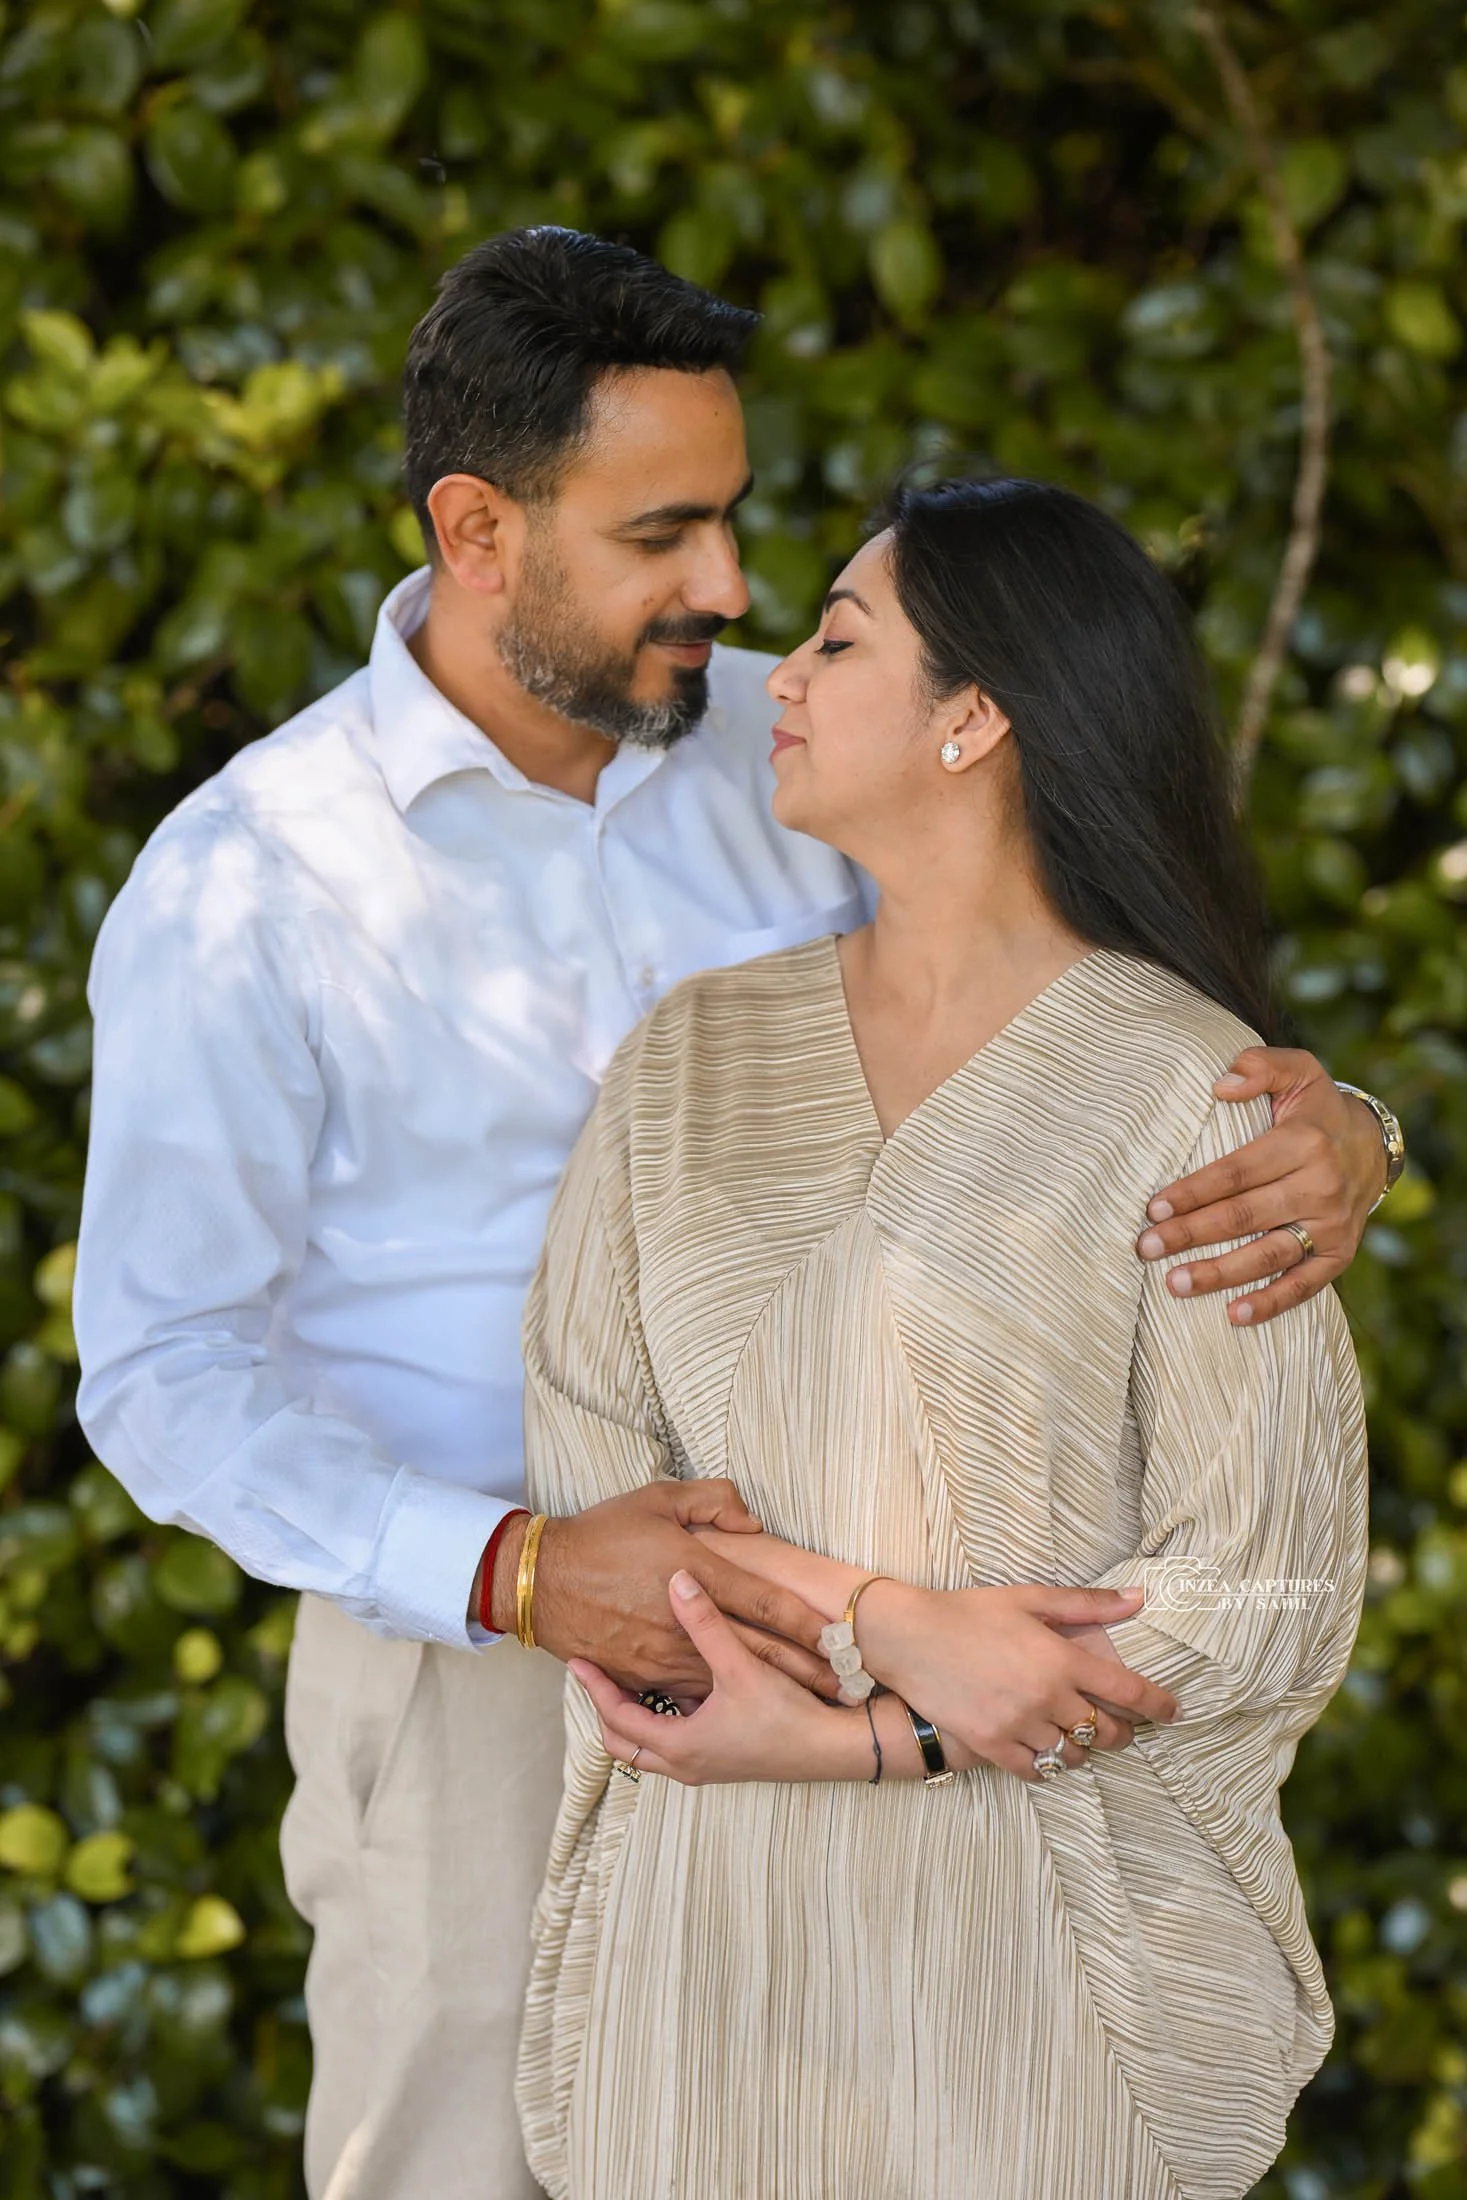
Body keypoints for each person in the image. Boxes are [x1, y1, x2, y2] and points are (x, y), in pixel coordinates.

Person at [72, 232, 1393, 2200]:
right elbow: (159, 1367)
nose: (732, 587)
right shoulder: (249, 885)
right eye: (665, 531)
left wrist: (1336, 1123)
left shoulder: (813, 727)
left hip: (924, 1647)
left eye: (740, 521)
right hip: (481, 1674)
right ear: (478, 529)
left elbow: (1082, 996)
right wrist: (515, 1564)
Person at [515, 479, 1370, 2200]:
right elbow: (606, 1505)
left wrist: (857, 1737)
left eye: (838, 639)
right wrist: (897, 1628)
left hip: (1037, 1974)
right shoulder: (685, 1064)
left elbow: (1262, 1581)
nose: (782, 676)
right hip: (712, 1951)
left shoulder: (1190, 1095)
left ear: (975, 715)